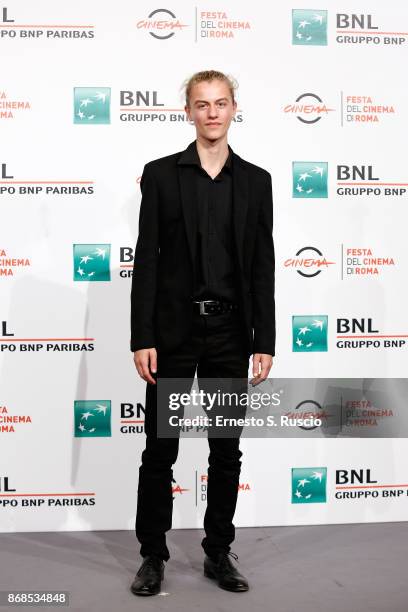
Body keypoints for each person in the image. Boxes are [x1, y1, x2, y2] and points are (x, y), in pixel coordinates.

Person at [129, 69, 275, 596]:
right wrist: (141, 335)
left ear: (235, 108)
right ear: (188, 111)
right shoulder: (162, 176)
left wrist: (265, 340)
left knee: (226, 450)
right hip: (173, 334)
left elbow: (263, 267)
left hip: (232, 335)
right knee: (160, 448)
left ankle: (218, 552)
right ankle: (152, 556)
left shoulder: (257, 181)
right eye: (201, 104)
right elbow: (146, 262)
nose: (211, 112)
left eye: (220, 103)